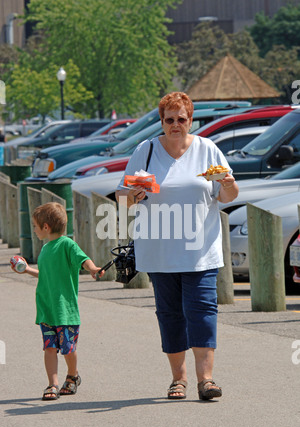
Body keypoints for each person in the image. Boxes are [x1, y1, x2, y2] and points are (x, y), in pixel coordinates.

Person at [115, 91, 239, 400]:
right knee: (170, 315)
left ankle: (206, 380)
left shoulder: (207, 149)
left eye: (181, 119)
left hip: (201, 252)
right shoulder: (145, 151)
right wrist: (134, 196)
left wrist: (226, 182)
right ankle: (178, 379)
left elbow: (228, 197)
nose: (175, 125)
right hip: (159, 254)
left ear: (190, 120)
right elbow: (121, 200)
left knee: (203, 312)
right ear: (161, 122)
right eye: (169, 120)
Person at [11, 202, 104, 400]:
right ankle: (52, 384)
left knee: (68, 348)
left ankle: (72, 376)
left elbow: (83, 259)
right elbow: (46, 276)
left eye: (35, 226)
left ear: (46, 227)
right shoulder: (45, 249)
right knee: (50, 347)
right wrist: (27, 270)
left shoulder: (67, 244)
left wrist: (93, 268)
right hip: (46, 309)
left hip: (65, 311)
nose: (34, 230)